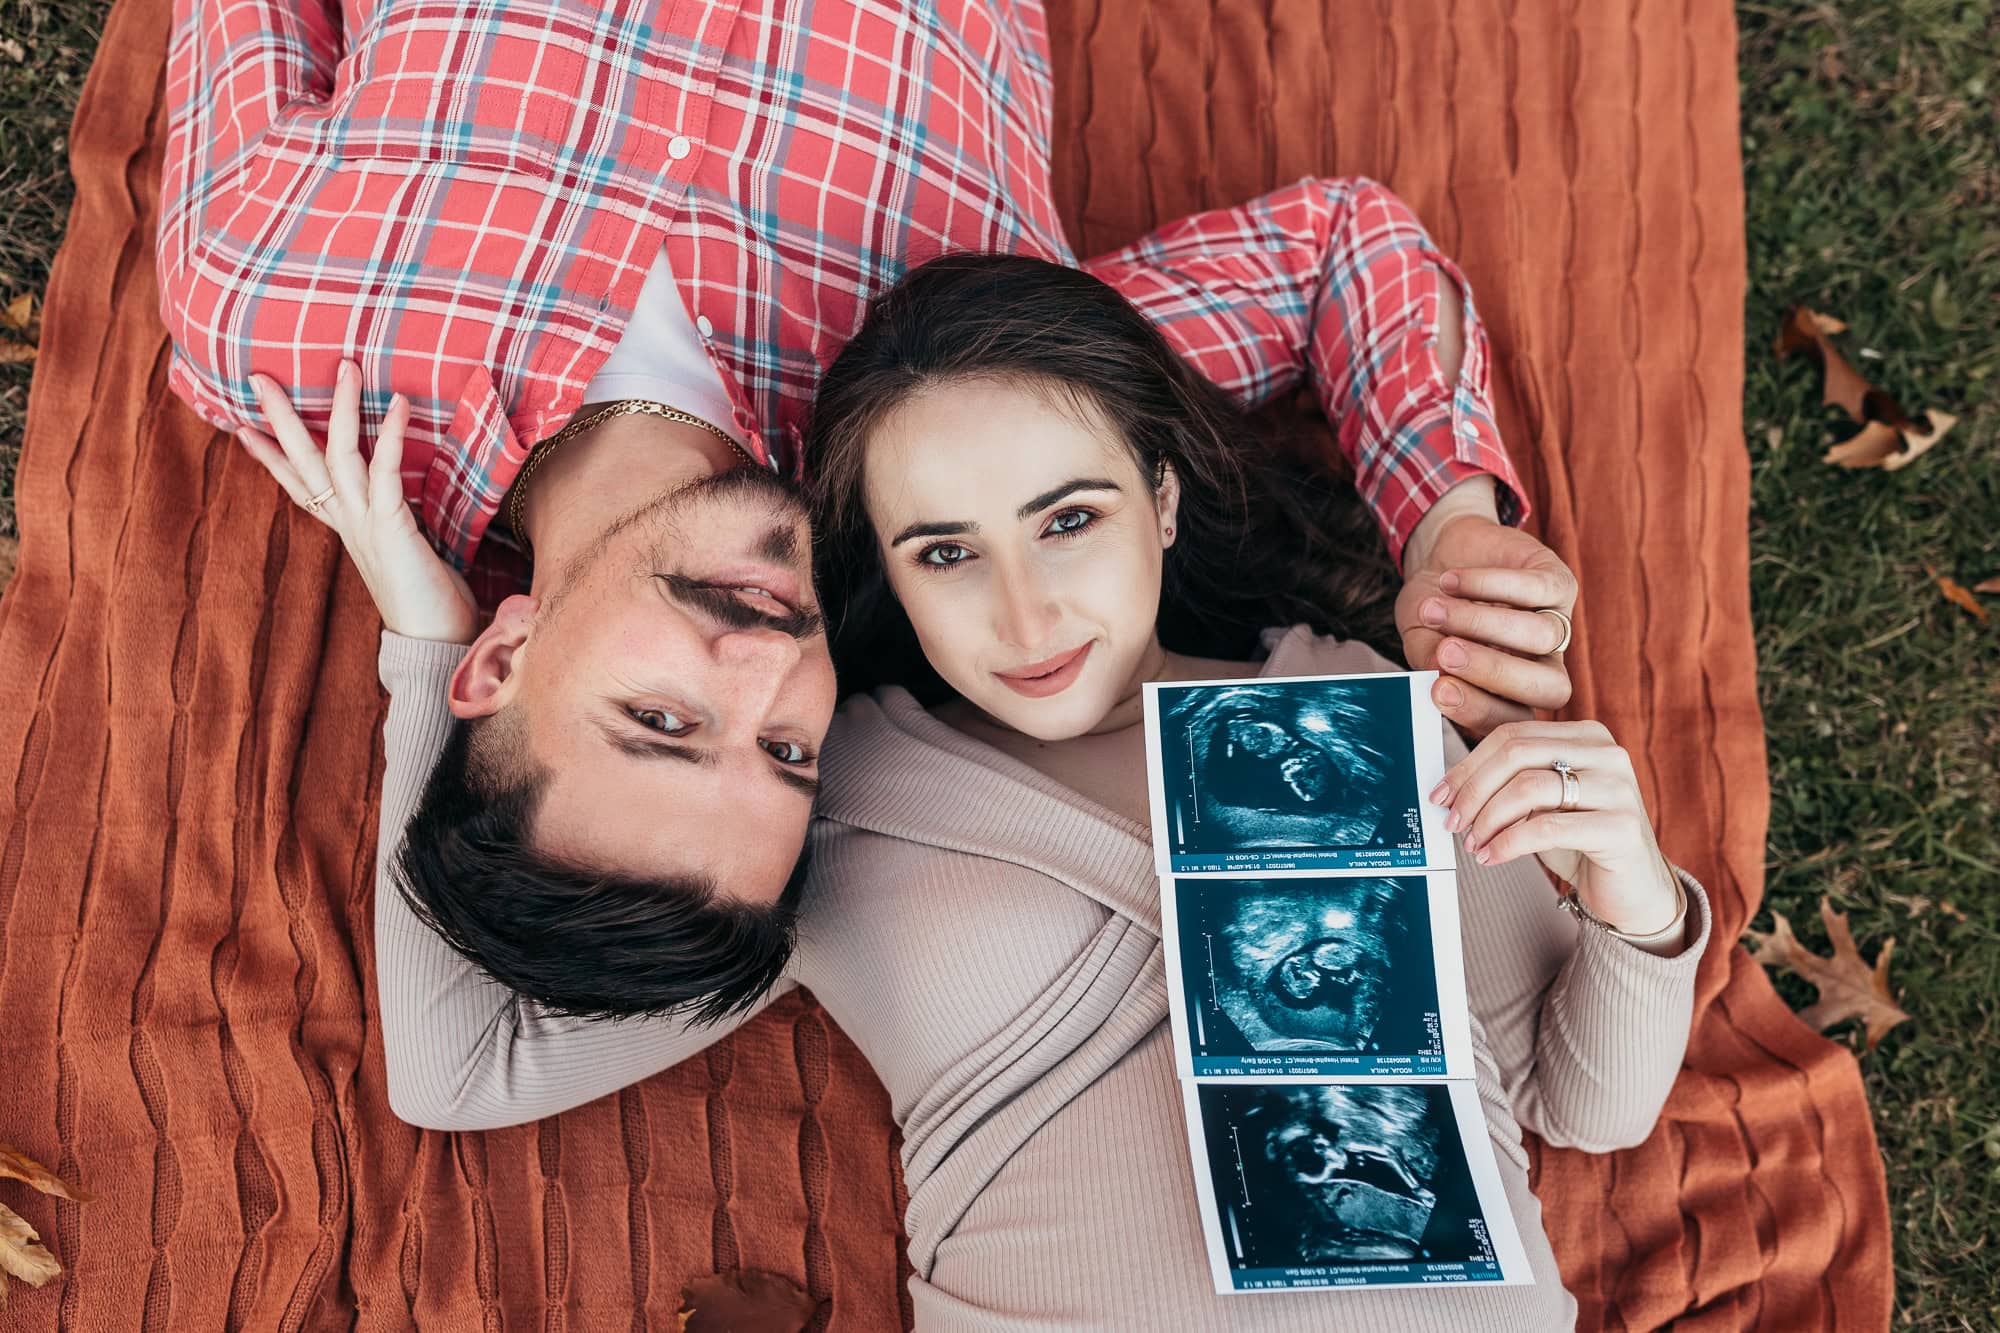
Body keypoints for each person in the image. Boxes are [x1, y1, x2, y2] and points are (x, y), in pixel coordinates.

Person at [255, 254, 1707, 1329]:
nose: (1028, 618)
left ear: (1163, 499)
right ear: (878, 567)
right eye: (943, 551)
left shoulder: (1363, 702)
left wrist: (1638, 904)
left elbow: (1574, 1108)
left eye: (1069, 521)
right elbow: (457, 1069)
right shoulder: (825, 795)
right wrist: (427, 640)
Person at [168, 0, 1579, 1020]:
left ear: (500, 660)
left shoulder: (271, 321)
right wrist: (1446, 521)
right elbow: (1338, 249)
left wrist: (414, 635)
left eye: (661, 720)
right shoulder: (952, 429)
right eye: (787, 749)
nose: (767, 664)